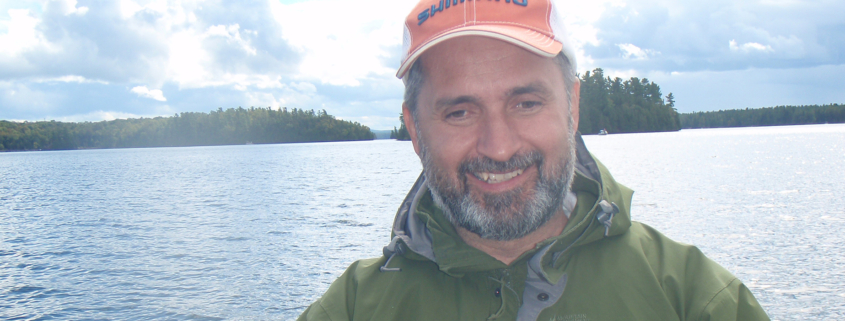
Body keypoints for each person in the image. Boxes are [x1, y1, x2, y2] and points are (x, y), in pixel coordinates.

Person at [299, 0, 769, 320]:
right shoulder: (353, 307)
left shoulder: (691, 298)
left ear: (572, 107)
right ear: (415, 129)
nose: (499, 147)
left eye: (526, 103)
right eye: (460, 112)